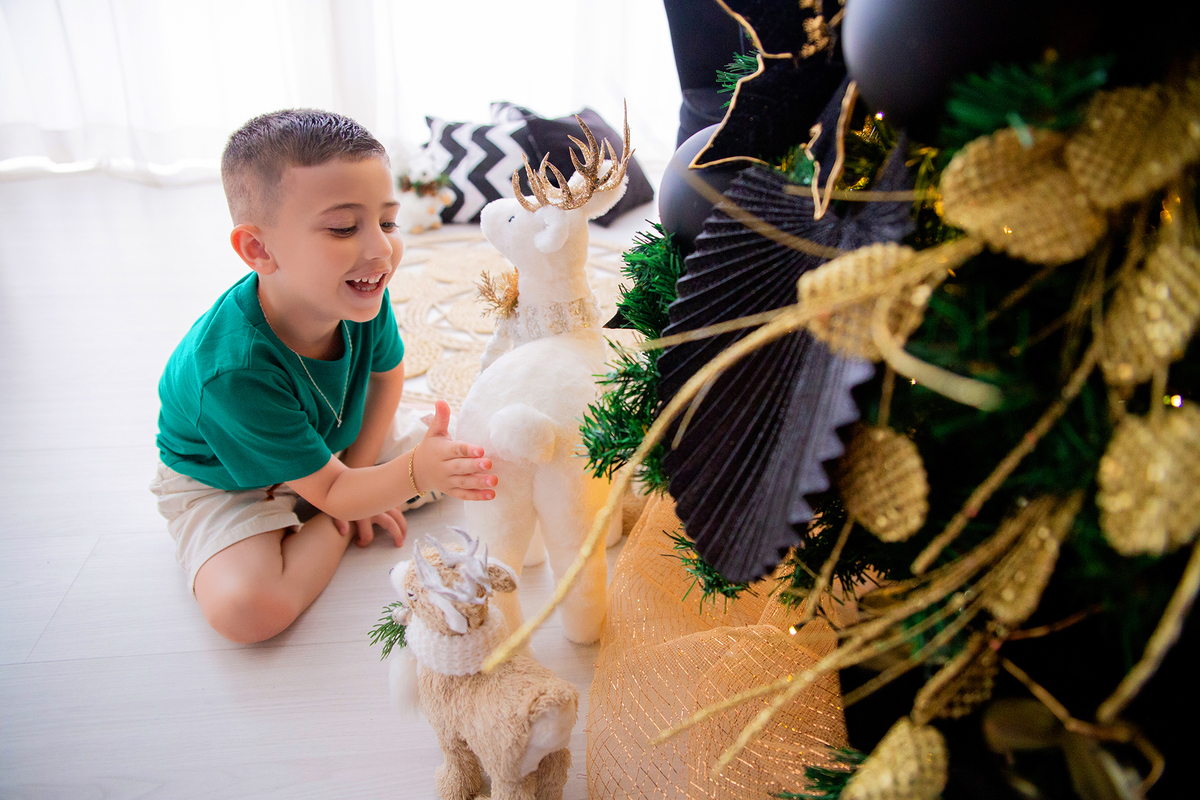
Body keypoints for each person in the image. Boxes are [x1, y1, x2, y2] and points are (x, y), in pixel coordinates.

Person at [150, 109, 496, 644]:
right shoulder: (231, 371)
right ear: (258, 249)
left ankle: (347, 499)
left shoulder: (359, 288)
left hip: (333, 442)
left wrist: (360, 470)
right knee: (247, 611)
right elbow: (335, 489)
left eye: (387, 222)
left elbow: (386, 377)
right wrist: (377, 489)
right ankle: (334, 519)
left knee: (474, 448)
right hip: (228, 477)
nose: (380, 250)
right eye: (343, 228)